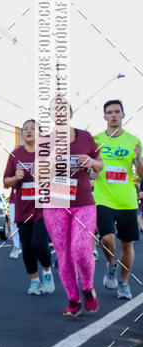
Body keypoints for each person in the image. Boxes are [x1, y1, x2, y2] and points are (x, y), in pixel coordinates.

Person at [39, 98, 103, 317]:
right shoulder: (45, 141)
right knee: (64, 253)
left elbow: (100, 164)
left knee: (81, 248)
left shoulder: (85, 137)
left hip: (83, 202)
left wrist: (91, 163)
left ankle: (87, 287)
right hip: (55, 202)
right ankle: (73, 299)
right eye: (54, 110)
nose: (59, 113)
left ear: (71, 113)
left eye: (63, 109)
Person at [93, 100, 143, 301]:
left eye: (117, 112)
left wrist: (138, 159)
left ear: (123, 115)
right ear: (104, 116)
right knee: (106, 238)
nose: (113, 115)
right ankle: (112, 264)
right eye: (109, 112)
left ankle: (123, 283)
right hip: (103, 198)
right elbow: (88, 166)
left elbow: (141, 174)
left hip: (127, 201)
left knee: (127, 245)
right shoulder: (96, 140)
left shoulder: (134, 141)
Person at [3, 119, 54, 295]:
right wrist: (15, 178)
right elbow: (6, 182)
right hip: (23, 208)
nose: (29, 131)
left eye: (33, 128)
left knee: (39, 243)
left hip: (44, 207)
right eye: (25, 129)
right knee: (27, 247)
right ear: (22, 133)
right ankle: (34, 280)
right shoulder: (15, 155)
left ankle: (47, 272)